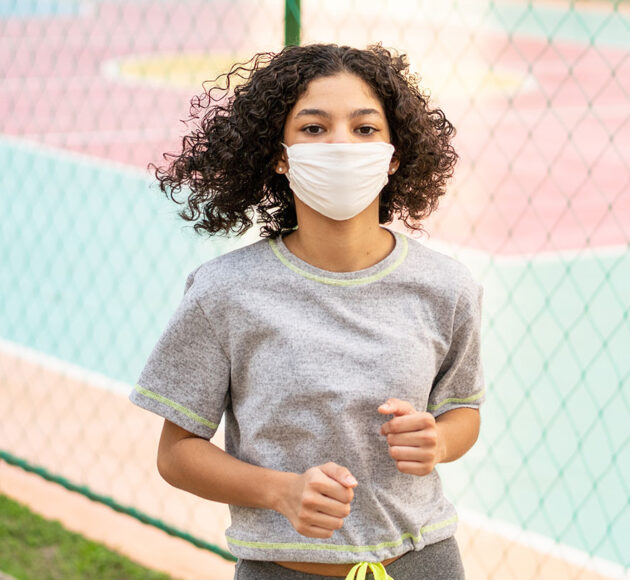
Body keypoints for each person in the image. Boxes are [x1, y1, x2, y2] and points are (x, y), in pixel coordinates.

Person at [130, 43, 484, 580]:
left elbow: (463, 413)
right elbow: (176, 454)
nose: (341, 144)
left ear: (393, 154)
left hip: (426, 564)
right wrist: (281, 492)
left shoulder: (448, 287)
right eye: (314, 129)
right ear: (279, 153)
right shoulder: (224, 292)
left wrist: (438, 441)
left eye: (364, 129)